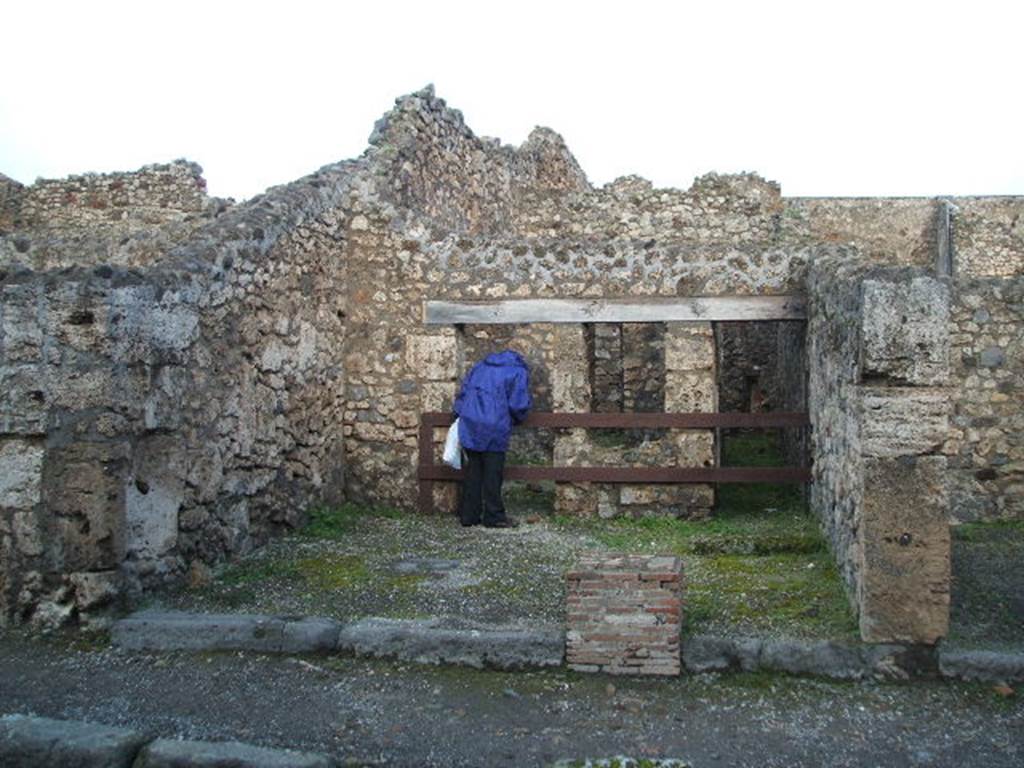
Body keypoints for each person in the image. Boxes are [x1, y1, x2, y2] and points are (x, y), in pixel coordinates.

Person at [453, 349, 532, 528]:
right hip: (495, 424)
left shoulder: (480, 367)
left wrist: (460, 414)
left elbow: (464, 394)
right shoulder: (517, 371)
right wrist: (517, 418)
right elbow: (518, 404)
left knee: (474, 470)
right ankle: (494, 515)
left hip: (471, 422)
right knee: (493, 472)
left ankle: (469, 515)